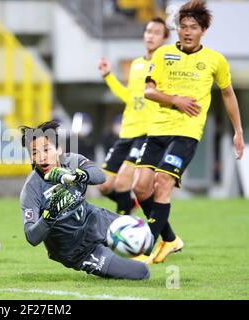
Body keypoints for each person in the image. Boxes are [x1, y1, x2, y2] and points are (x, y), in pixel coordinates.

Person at [133, 0, 244, 264]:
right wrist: (176, 100)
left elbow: (228, 95)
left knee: (162, 182)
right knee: (140, 187)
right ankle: (170, 239)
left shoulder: (215, 60)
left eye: (193, 27)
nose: (187, 31)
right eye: (183, 26)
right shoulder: (162, 55)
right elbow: (148, 91)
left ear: (203, 30)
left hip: (187, 133)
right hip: (158, 129)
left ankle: (144, 250)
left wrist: (237, 131)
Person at [19, 121, 150, 280]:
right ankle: (111, 257)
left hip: (96, 220)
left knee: (145, 236)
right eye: (34, 153)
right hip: (77, 250)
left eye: (46, 149)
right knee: (141, 272)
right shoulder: (31, 189)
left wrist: (77, 177)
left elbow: (100, 176)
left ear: (58, 149)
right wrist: (49, 215)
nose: (41, 157)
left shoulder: (72, 162)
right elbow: (31, 237)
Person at [97, 17, 169, 215]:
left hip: (147, 133)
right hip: (127, 131)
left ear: (164, 39)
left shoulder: (166, 65)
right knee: (103, 185)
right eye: (148, 31)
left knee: (122, 183)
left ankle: (121, 231)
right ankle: (129, 206)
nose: (150, 35)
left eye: (156, 32)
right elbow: (130, 96)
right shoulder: (137, 64)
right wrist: (108, 76)